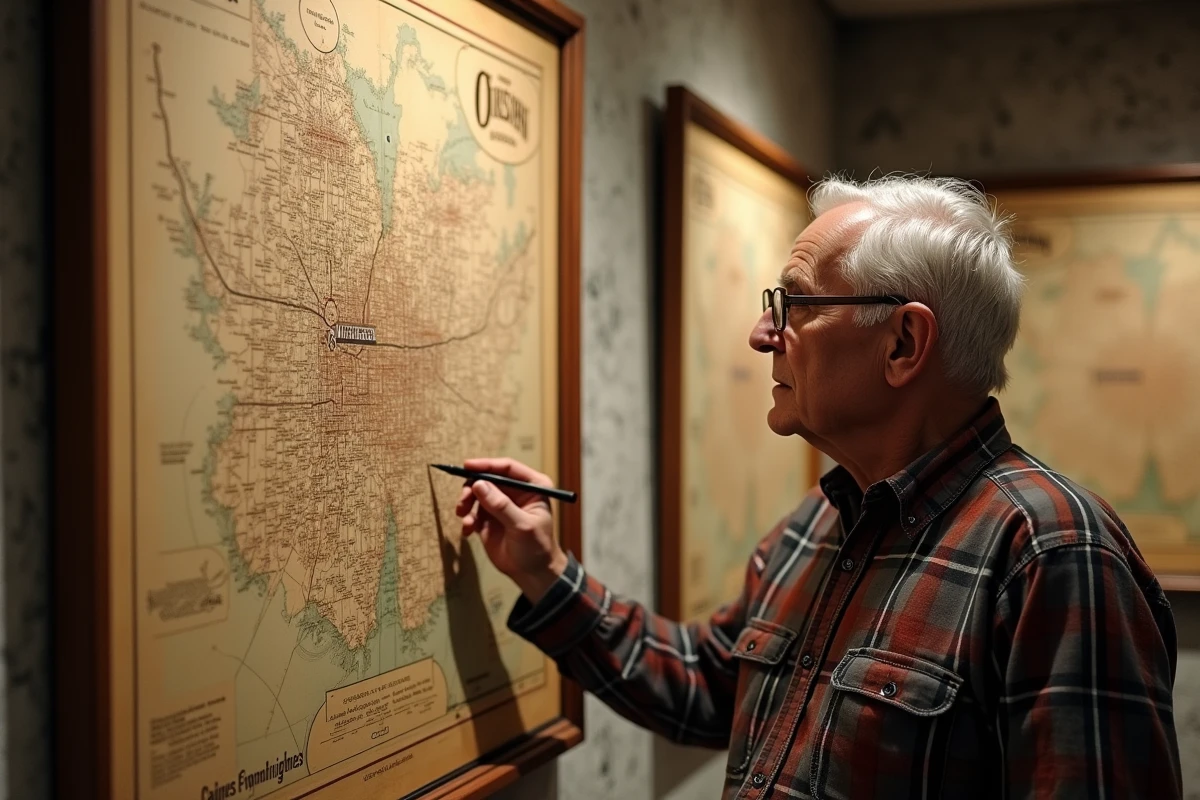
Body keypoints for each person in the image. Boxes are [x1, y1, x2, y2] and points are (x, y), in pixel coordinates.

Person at [454, 175, 1181, 799]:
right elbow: (709, 687)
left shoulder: (1055, 553)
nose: (761, 334)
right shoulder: (819, 522)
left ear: (901, 344)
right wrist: (543, 572)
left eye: (792, 305)